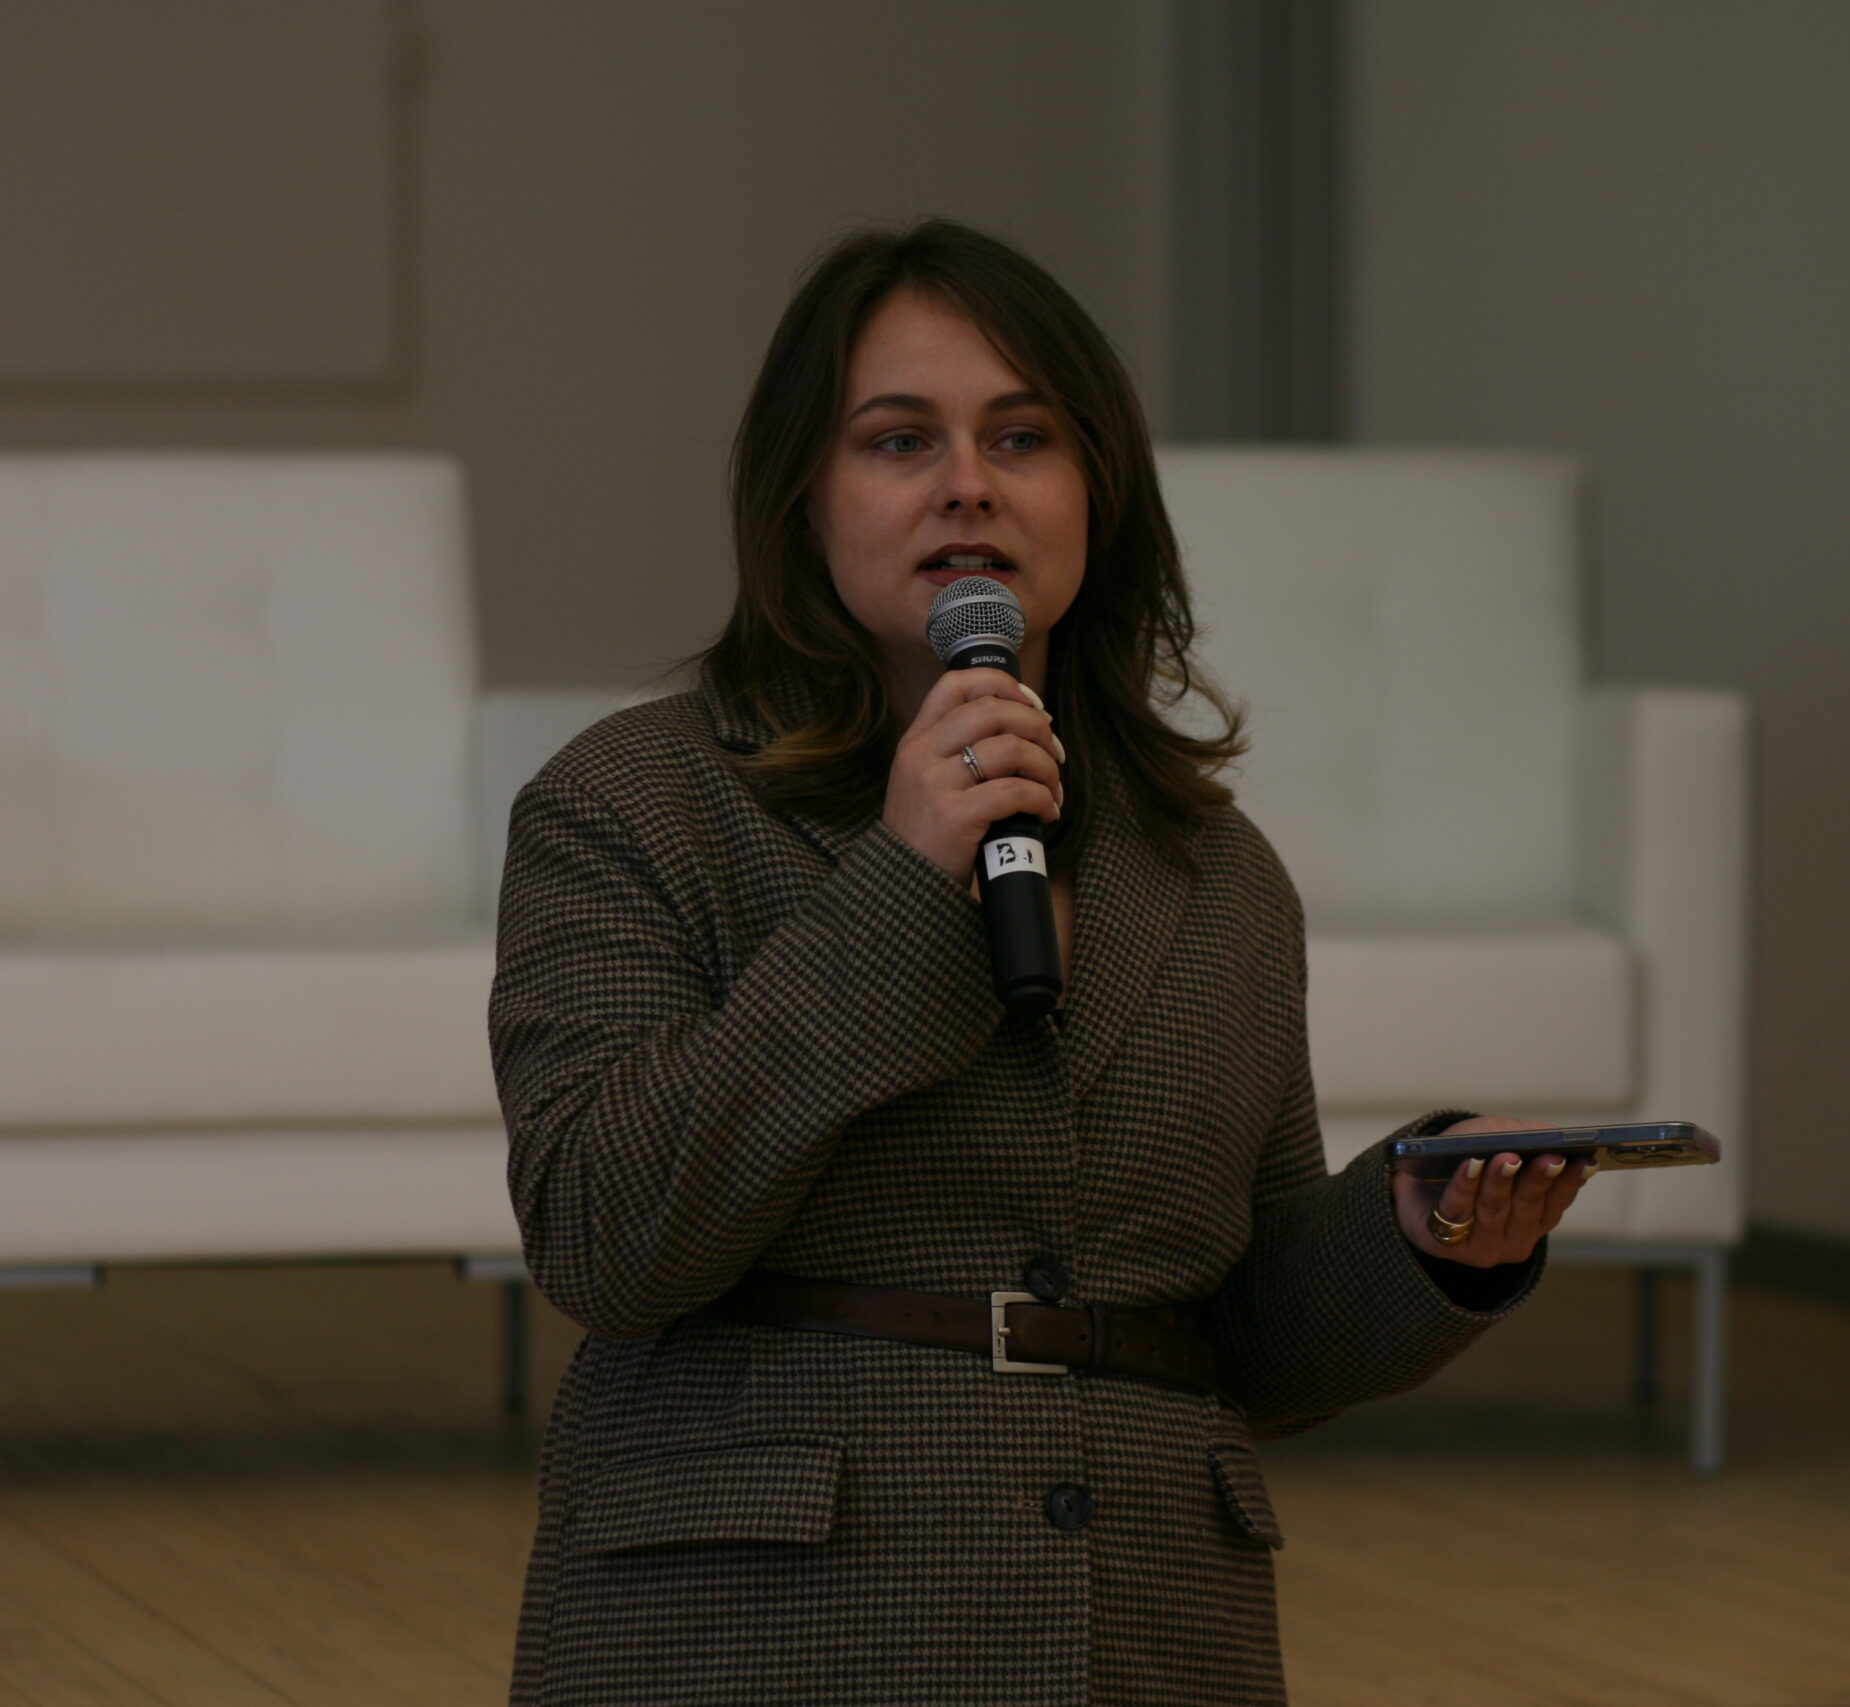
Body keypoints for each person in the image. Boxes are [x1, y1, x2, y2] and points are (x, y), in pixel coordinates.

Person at [490, 219, 1594, 1705]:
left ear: (1097, 494)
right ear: (801, 500)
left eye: (1023, 437)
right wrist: (897, 887)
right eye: (900, 441)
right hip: (761, 1624)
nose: (970, 484)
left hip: (1150, 1635)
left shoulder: (1218, 875)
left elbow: (1247, 1336)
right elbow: (603, 1240)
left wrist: (1421, 1235)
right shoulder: (634, 805)